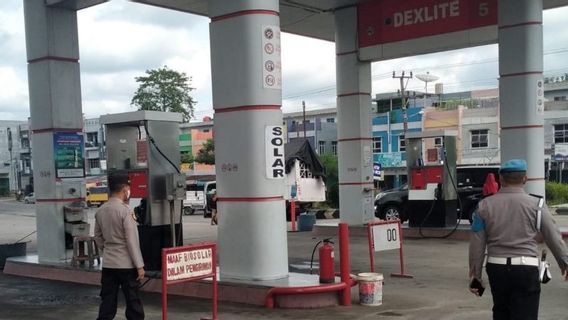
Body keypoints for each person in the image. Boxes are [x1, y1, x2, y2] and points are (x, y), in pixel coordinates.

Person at [469, 159, 568, 320]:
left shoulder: (484, 205)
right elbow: (553, 236)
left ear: (501, 179)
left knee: (501, 312)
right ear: (525, 179)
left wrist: (475, 276)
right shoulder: (537, 204)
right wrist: (565, 263)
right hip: (526, 269)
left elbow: (477, 244)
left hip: (496, 268)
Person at [94, 173, 145, 320]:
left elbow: (97, 236)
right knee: (133, 301)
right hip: (126, 264)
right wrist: (139, 265)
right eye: (128, 187)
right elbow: (132, 240)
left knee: (107, 301)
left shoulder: (100, 210)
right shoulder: (125, 210)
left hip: (109, 264)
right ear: (124, 189)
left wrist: (108, 249)